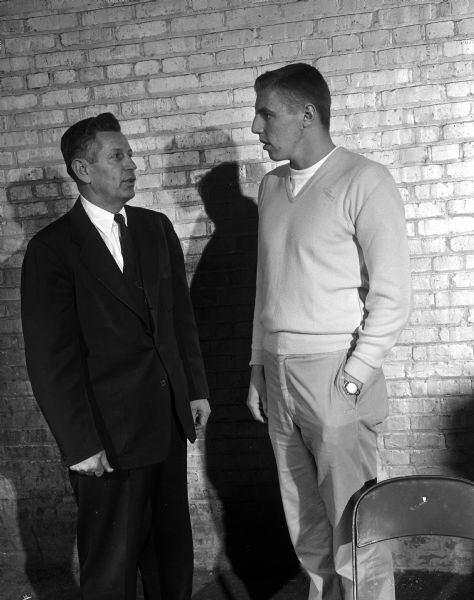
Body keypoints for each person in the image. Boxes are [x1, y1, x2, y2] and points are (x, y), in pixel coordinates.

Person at [21, 112, 211, 600]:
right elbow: (50, 360)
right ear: (83, 170)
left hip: (166, 425)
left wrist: (195, 390)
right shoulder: (52, 250)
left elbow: (179, 319)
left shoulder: (155, 228)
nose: (132, 164)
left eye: (130, 154)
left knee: (171, 560)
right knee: (112, 566)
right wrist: (80, 444)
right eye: (117, 155)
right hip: (106, 438)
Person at [246, 63, 411, 600]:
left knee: (357, 529)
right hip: (278, 374)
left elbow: (392, 295)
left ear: (307, 114)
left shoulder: (365, 180)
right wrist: (256, 367)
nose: (256, 127)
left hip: (335, 373)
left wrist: (354, 380)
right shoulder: (271, 186)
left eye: (266, 114)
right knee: (306, 524)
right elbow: (267, 287)